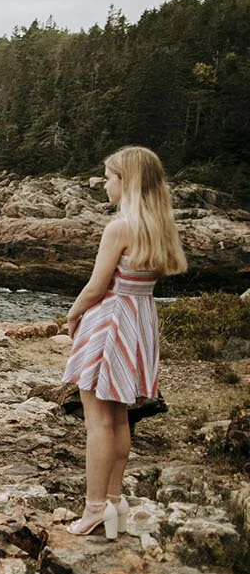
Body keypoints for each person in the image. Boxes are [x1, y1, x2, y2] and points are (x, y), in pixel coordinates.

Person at [63, 146, 186, 539]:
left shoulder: (119, 227)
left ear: (126, 182)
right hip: (139, 320)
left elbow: (98, 286)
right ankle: (114, 500)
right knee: (119, 418)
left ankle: (94, 508)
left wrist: (72, 314)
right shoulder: (158, 226)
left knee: (97, 420)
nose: (104, 183)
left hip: (111, 321)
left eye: (109, 177)